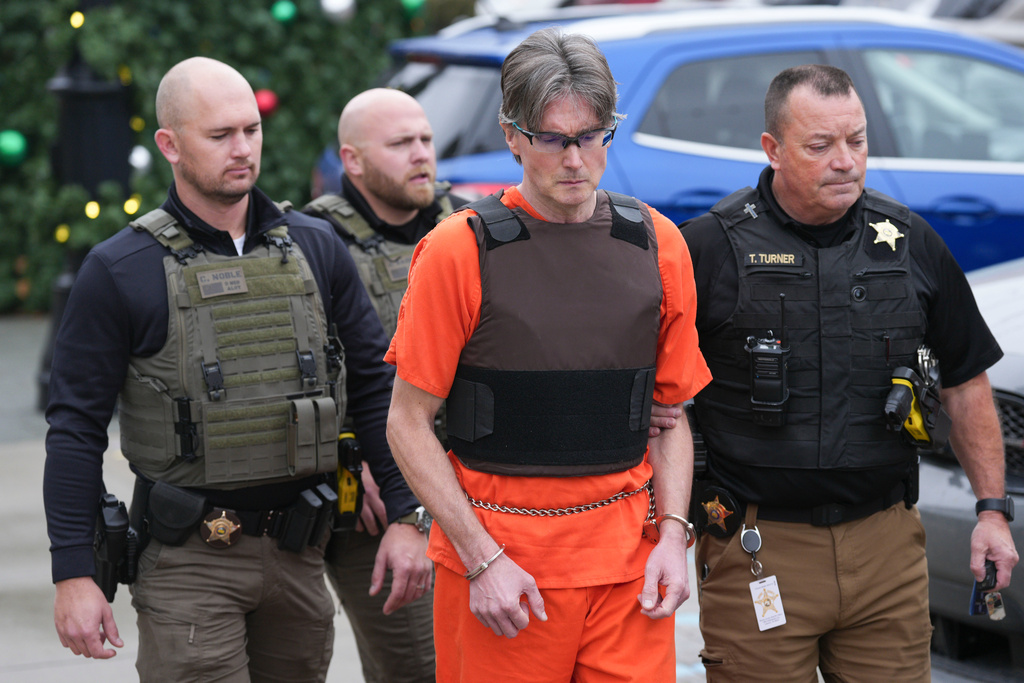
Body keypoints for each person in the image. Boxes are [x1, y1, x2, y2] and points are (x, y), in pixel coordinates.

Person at [42, 56, 431, 682]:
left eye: (251, 130)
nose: (243, 148)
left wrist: (409, 515)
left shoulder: (315, 246)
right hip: (188, 561)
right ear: (169, 144)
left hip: (299, 552)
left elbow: (375, 382)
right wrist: (73, 573)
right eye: (220, 135)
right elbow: (74, 429)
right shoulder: (120, 269)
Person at [384, 27, 712, 682]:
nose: (575, 158)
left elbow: (673, 418)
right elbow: (407, 421)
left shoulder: (658, 244)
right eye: (554, 138)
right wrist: (481, 559)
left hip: (628, 571)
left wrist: (674, 536)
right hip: (504, 570)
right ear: (513, 136)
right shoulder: (459, 250)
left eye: (592, 136)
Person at [678, 64, 1019, 682]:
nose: (846, 161)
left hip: (887, 546)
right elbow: (660, 403)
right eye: (820, 146)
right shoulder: (707, 249)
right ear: (772, 150)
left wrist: (991, 511)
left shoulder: (911, 241)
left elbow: (966, 384)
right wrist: (665, 528)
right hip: (758, 547)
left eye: (857, 140)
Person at [302, 88, 469, 683]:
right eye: (400, 144)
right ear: (353, 161)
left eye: (425, 140)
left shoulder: (476, 225)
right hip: (378, 495)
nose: (421, 154)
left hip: (482, 481)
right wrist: (355, 459)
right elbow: (298, 376)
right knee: (417, 666)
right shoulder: (311, 245)